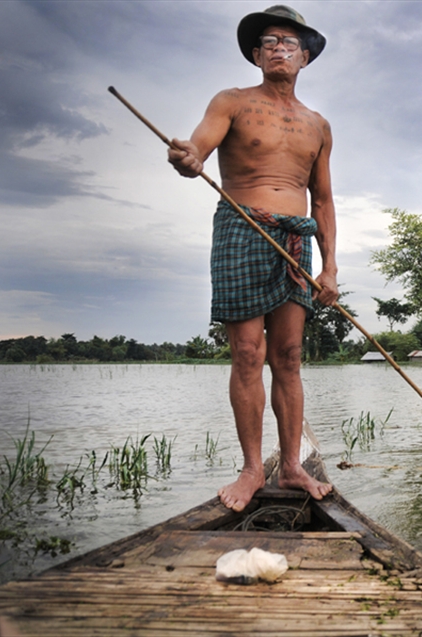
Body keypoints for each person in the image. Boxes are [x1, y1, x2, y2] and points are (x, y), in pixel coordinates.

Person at [168, 5, 338, 511]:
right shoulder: (233, 102)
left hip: (296, 240)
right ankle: (249, 470)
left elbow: (323, 200)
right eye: (268, 42)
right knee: (248, 353)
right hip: (243, 228)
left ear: (305, 57)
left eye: (289, 42)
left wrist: (329, 267)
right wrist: (188, 157)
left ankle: (289, 468)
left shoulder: (318, 124)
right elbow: (197, 149)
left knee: (288, 356)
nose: (278, 48)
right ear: (256, 55)